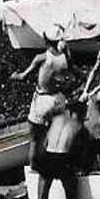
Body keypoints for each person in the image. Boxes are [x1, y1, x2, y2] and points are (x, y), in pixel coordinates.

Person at [32, 98, 91, 199]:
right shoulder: (81, 128)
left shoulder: (55, 120)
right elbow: (83, 156)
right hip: (64, 161)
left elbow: (42, 142)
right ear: (82, 113)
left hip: (47, 157)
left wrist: (36, 163)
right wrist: (83, 169)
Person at [13, 28, 74, 167]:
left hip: (43, 100)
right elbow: (72, 73)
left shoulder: (41, 58)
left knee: (35, 139)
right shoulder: (66, 58)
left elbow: (23, 76)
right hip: (58, 99)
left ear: (46, 40)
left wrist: (14, 76)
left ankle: (35, 168)